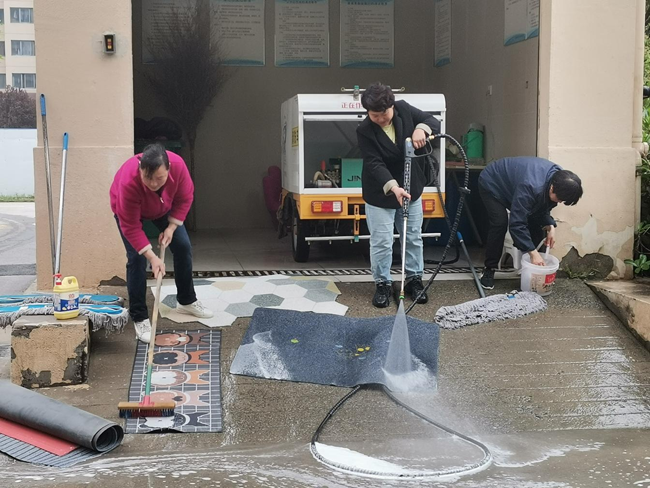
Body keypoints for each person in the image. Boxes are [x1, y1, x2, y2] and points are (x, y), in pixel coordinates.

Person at [110, 144, 213, 343]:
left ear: (168, 169)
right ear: (140, 168)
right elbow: (131, 226)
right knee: (137, 259)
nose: (153, 183)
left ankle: (186, 300)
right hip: (129, 212)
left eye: (159, 178)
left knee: (182, 246)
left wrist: (171, 228)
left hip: (163, 208)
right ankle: (139, 316)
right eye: (147, 177)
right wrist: (153, 257)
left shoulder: (178, 166)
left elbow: (185, 198)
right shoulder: (128, 182)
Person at [356, 82, 441, 308]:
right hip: (381, 192)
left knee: (412, 237)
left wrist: (421, 128)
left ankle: (414, 280)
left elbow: (433, 121)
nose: (380, 119)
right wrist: (393, 187)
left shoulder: (404, 109)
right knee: (382, 241)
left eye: (383, 114)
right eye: (374, 115)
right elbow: (374, 163)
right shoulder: (364, 130)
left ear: (392, 106)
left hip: (411, 188)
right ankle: (382, 283)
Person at [478, 156, 583, 290]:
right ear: (552, 188)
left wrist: (550, 226)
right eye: (560, 199)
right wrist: (533, 253)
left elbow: (543, 207)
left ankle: (532, 270)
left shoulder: (562, 180)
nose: (560, 202)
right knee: (500, 223)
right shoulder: (531, 187)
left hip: (515, 184)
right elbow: (517, 224)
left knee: (535, 223)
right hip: (492, 182)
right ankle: (489, 270)